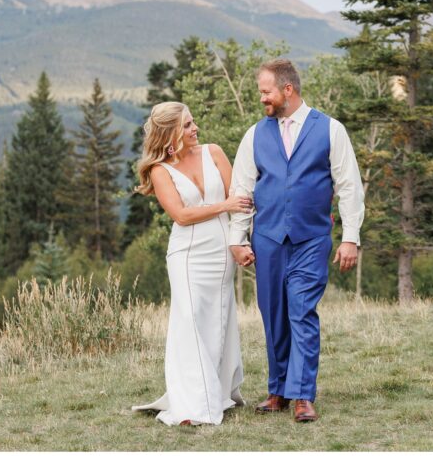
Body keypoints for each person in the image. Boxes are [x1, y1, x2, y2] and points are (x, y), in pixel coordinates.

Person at [229, 58, 365, 423]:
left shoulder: (330, 129)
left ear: (287, 90)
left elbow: (350, 186)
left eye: (266, 91)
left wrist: (350, 238)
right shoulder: (255, 135)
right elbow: (242, 189)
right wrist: (237, 238)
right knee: (273, 315)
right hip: (268, 239)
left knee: (301, 309)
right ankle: (278, 390)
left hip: (311, 238)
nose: (262, 99)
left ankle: (303, 394)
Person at [131, 102, 252, 426]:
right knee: (190, 322)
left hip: (221, 251)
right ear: (170, 133)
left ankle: (220, 390)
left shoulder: (214, 152)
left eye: (193, 122)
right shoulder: (160, 171)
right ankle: (195, 404)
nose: (195, 128)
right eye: (186, 125)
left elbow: (241, 199)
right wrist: (223, 204)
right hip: (188, 256)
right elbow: (182, 216)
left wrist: (240, 243)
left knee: (219, 319)